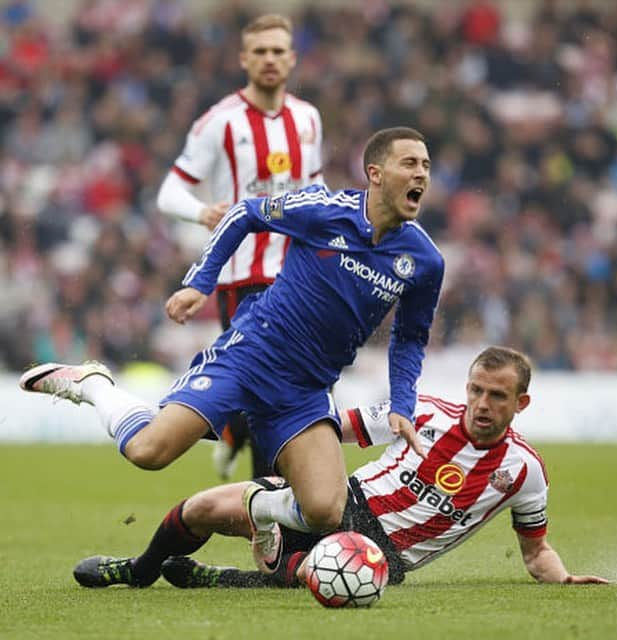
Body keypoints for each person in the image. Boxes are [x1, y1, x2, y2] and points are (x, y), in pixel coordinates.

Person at [19, 126, 443, 576]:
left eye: (427, 167)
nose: (421, 174)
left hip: (306, 388)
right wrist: (200, 284)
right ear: (375, 173)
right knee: (149, 452)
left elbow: (411, 338)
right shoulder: (324, 209)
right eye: (410, 163)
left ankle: (261, 513)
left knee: (325, 510)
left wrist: (402, 403)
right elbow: (245, 213)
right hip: (250, 356)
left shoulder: (425, 260)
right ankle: (94, 385)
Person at [69, 346, 608, 589]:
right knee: (204, 507)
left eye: (497, 395)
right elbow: (330, 427)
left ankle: (229, 575)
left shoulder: (523, 471)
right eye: (476, 390)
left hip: (384, 553)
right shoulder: (417, 413)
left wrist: (562, 578)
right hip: (341, 498)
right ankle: (139, 570)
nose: (483, 403)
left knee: (319, 573)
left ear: (521, 404)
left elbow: (535, 551)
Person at [156, 13, 325, 480]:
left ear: (291, 59)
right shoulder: (220, 122)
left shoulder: (308, 118)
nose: (270, 59)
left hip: (301, 275)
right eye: (260, 51)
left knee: (289, 386)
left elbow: (314, 187)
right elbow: (169, 191)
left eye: (278, 51)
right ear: (244, 59)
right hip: (243, 276)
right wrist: (203, 211)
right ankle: (266, 501)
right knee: (265, 387)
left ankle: (237, 437)